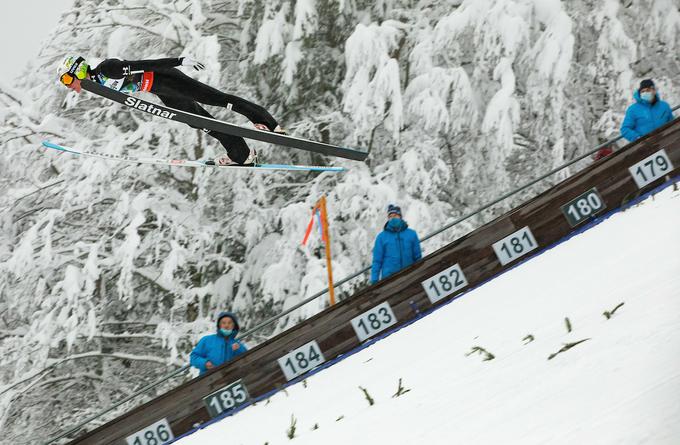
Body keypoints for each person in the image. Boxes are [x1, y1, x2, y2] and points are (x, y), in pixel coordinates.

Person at [56, 55, 286, 165]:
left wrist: (180, 60)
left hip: (167, 79)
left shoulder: (107, 69)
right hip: (161, 91)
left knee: (218, 99)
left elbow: (145, 64)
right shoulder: (96, 84)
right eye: (66, 83)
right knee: (202, 123)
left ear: (77, 70)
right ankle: (242, 155)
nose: (70, 86)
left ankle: (269, 123)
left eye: (68, 80)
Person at [370, 204, 422, 284]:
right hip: (390, 279)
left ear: (400, 217)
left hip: (410, 275)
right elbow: (377, 261)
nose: (393, 218)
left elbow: (418, 257)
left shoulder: (411, 234)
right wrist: (374, 279)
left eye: (395, 215)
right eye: (390, 216)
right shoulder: (381, 237)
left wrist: (420, 272)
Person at [620, 79, 674, 143]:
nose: (645, 93)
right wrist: (638, 138)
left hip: (667, 141)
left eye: (648, 90)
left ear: (654, 90)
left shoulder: (664, 106)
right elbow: (625, 129)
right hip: (646, 146)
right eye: (642, 91)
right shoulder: (633, 109)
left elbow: (672, 122)